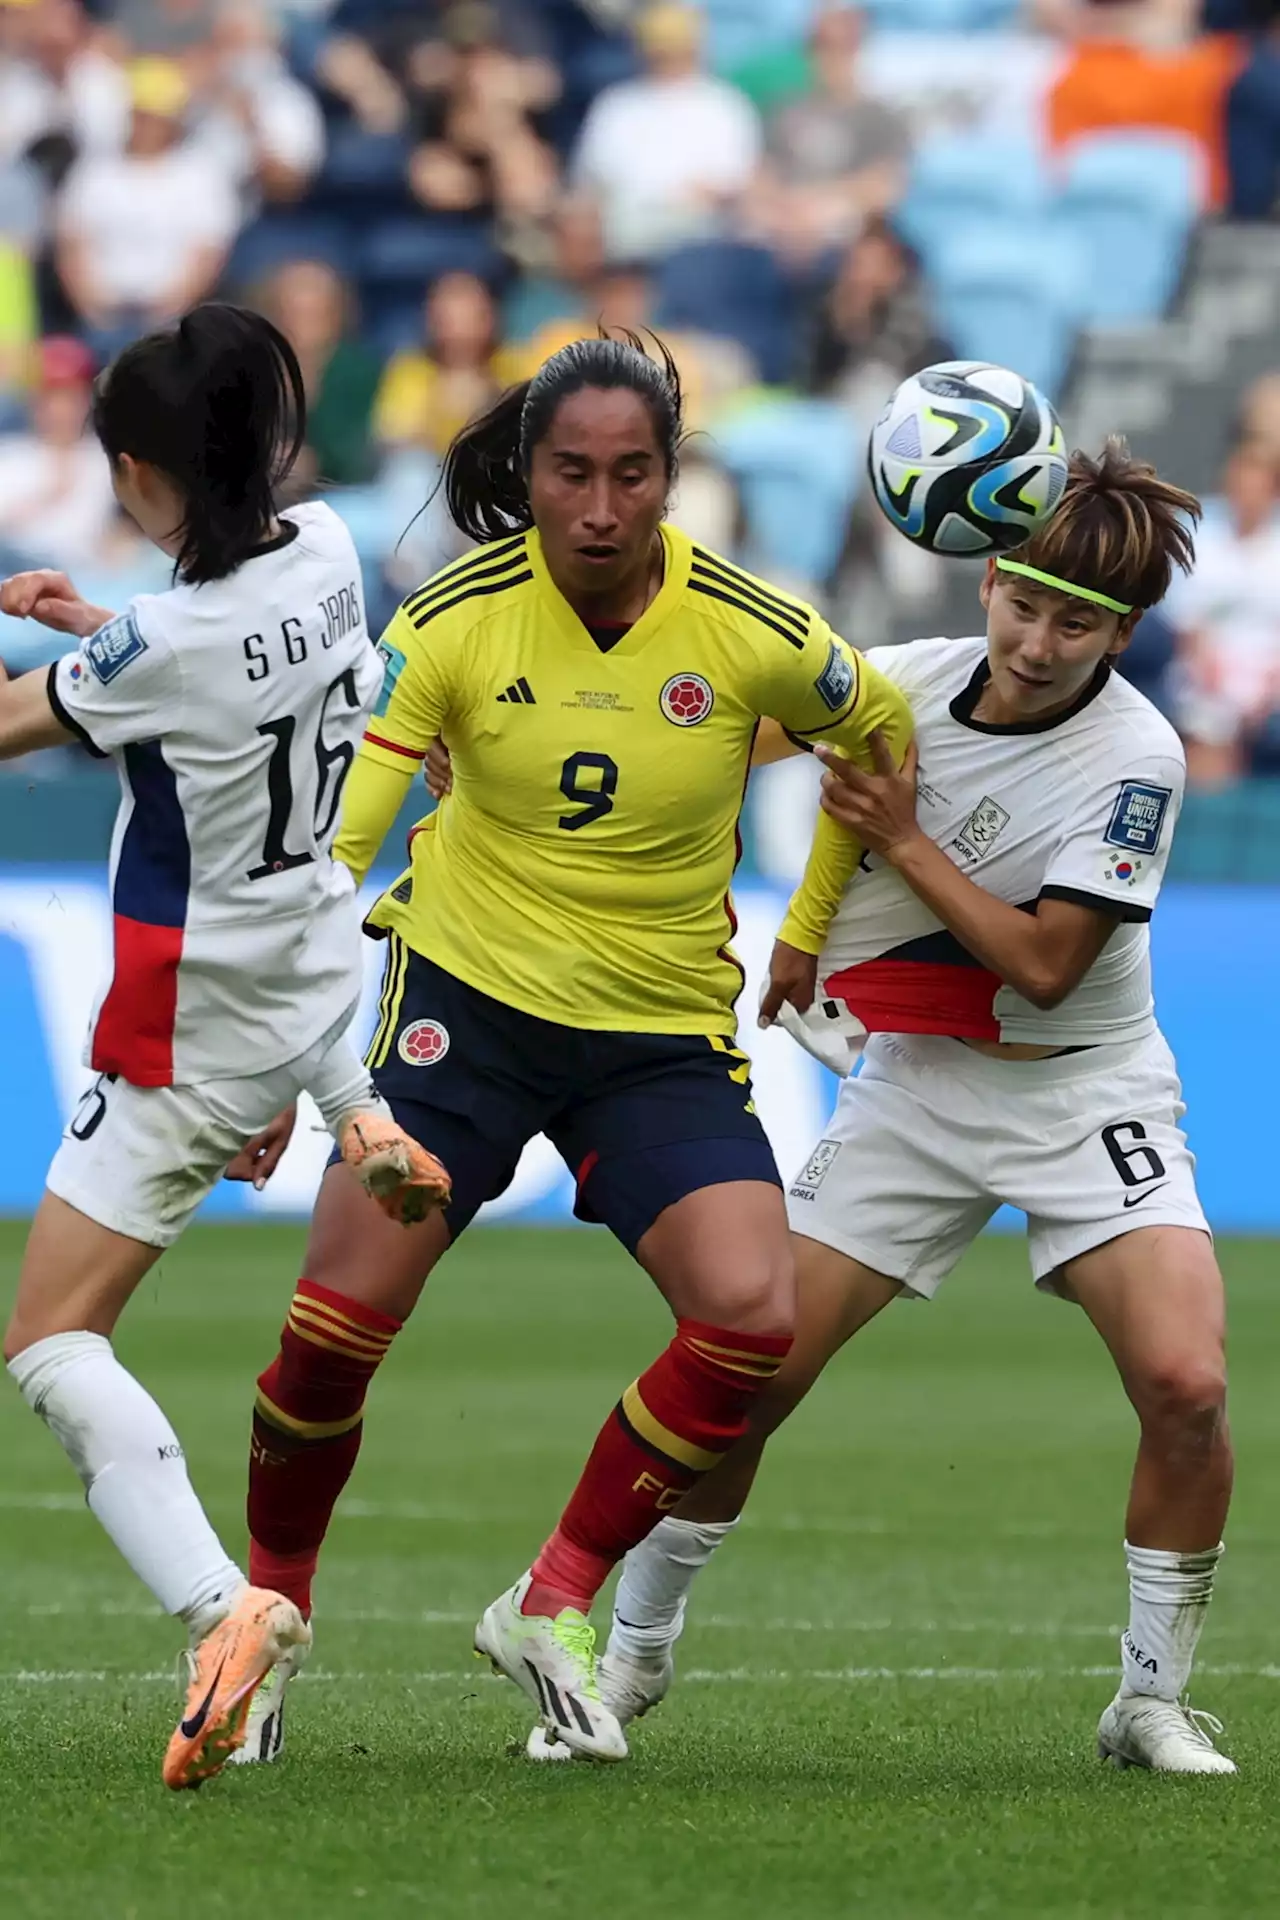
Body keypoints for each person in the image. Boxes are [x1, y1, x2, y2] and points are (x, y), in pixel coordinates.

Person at [231, 331, 913, 1765]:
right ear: (528, 475)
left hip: (656, 1038)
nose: (601, 506)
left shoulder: (754, 629)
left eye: (633, 473)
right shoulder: (451, 620)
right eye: (571, 473)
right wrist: (277, 1066)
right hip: (457, 1017)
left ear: (672, 476)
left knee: (749, 1318)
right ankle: (269, 1618)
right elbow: (343, 847)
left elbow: (884, 735)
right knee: (327, 1344)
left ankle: (550, 1603)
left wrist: (806, 929)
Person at [588, 441, 1240, 1776]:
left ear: (1123, 633)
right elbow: (727, 735)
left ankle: (1149, 1702)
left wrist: (899, 836)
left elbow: (1048, 968)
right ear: (990, 574)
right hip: (918, 1093)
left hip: (1084, 1088)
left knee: (1186, 1385)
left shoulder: (1139, 757)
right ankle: (628, 1662)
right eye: (1026, 603)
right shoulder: (903, 686)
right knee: (745, 1381)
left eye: (1080, 623)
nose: (1041, 641)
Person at [0, 302, 448, 1792]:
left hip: (187, 1029)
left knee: (52, 1341)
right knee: (72, 1329)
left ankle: (226, 1611)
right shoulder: (322, 549)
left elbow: (49, 714)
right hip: (307, 974)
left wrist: (75, 653)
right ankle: (355, 1111)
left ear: (141, 473)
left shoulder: (167, 643)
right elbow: (193, 665)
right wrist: (89, 629)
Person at [55, 57, 239, 362]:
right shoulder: (95, 172)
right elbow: (73, 245)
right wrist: (94, 309)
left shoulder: (200, 175)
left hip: (173, 317)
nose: (147, 124)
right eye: (141, 114)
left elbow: (207, 255)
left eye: (156, 116)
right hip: (103, 316)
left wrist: (168, 309)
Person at [571, 4, 762, 258]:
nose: (667, 56)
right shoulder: (616, 104)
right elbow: (590, 181)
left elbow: (738, 183)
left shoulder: (725, 104)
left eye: (675, 46)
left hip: (701, 232)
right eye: (660, 47)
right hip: (622, 229)